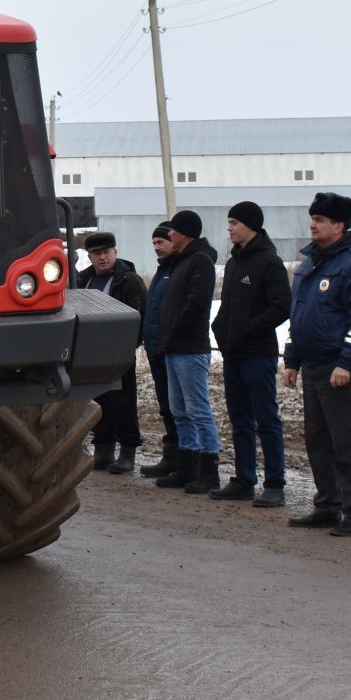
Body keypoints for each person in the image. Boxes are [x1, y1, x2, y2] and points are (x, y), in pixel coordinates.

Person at [282, 193, 351, 536]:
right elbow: (300, 316)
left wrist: (347, 363)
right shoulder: (310, 264)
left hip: (338, 369)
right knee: (318, 440)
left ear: (338, 226)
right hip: (311, 365)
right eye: (313, 218)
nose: (312, 224)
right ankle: (327, 505)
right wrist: (291, 359)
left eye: (320, 220)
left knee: (346, 442)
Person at [208, 201, 291, 507]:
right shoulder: (234, 263)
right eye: (229, 223)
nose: (229, 228)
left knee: (266, 419)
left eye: (234, 223)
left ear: (250, 225)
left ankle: (275, 484)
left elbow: (282, 306)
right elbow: (228, 307)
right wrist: (221, 329)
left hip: (258, 354)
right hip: (234, 355)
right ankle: (244, 479)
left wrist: (248, 329)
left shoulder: (269, 262)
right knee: (239, 419)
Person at [152, 210, 223, 495]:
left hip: (190, 349)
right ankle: (186, 465)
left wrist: (174, 333)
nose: (169, 235)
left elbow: (196, 304)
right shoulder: (180, 261)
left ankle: (209, 469)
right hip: (173, 348)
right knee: (179, 410)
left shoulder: (200, 262)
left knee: (198, 410)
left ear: (184, 233)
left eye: (173, 230)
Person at [76, 230, 148, 474]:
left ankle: (128, 451)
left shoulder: (128, 280)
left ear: (115, 253)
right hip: (92, 352)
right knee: (99, 400)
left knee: (124, 402)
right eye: (97, 254)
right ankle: (103, 448)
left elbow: (140, 316)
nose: (102, 258)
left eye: (106, 252)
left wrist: (130, 347)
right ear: (90, 256)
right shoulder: (83, 280)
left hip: (120, 352)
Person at [138, 223, 183, 479]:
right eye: (154, 243)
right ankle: (171, 454)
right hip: (156, 349)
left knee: (179, 407)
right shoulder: (162, 270)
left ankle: (185, 457)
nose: (157, 248)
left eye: (161, 242)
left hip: (172, 349)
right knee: (166, 406)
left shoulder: (178, 270)